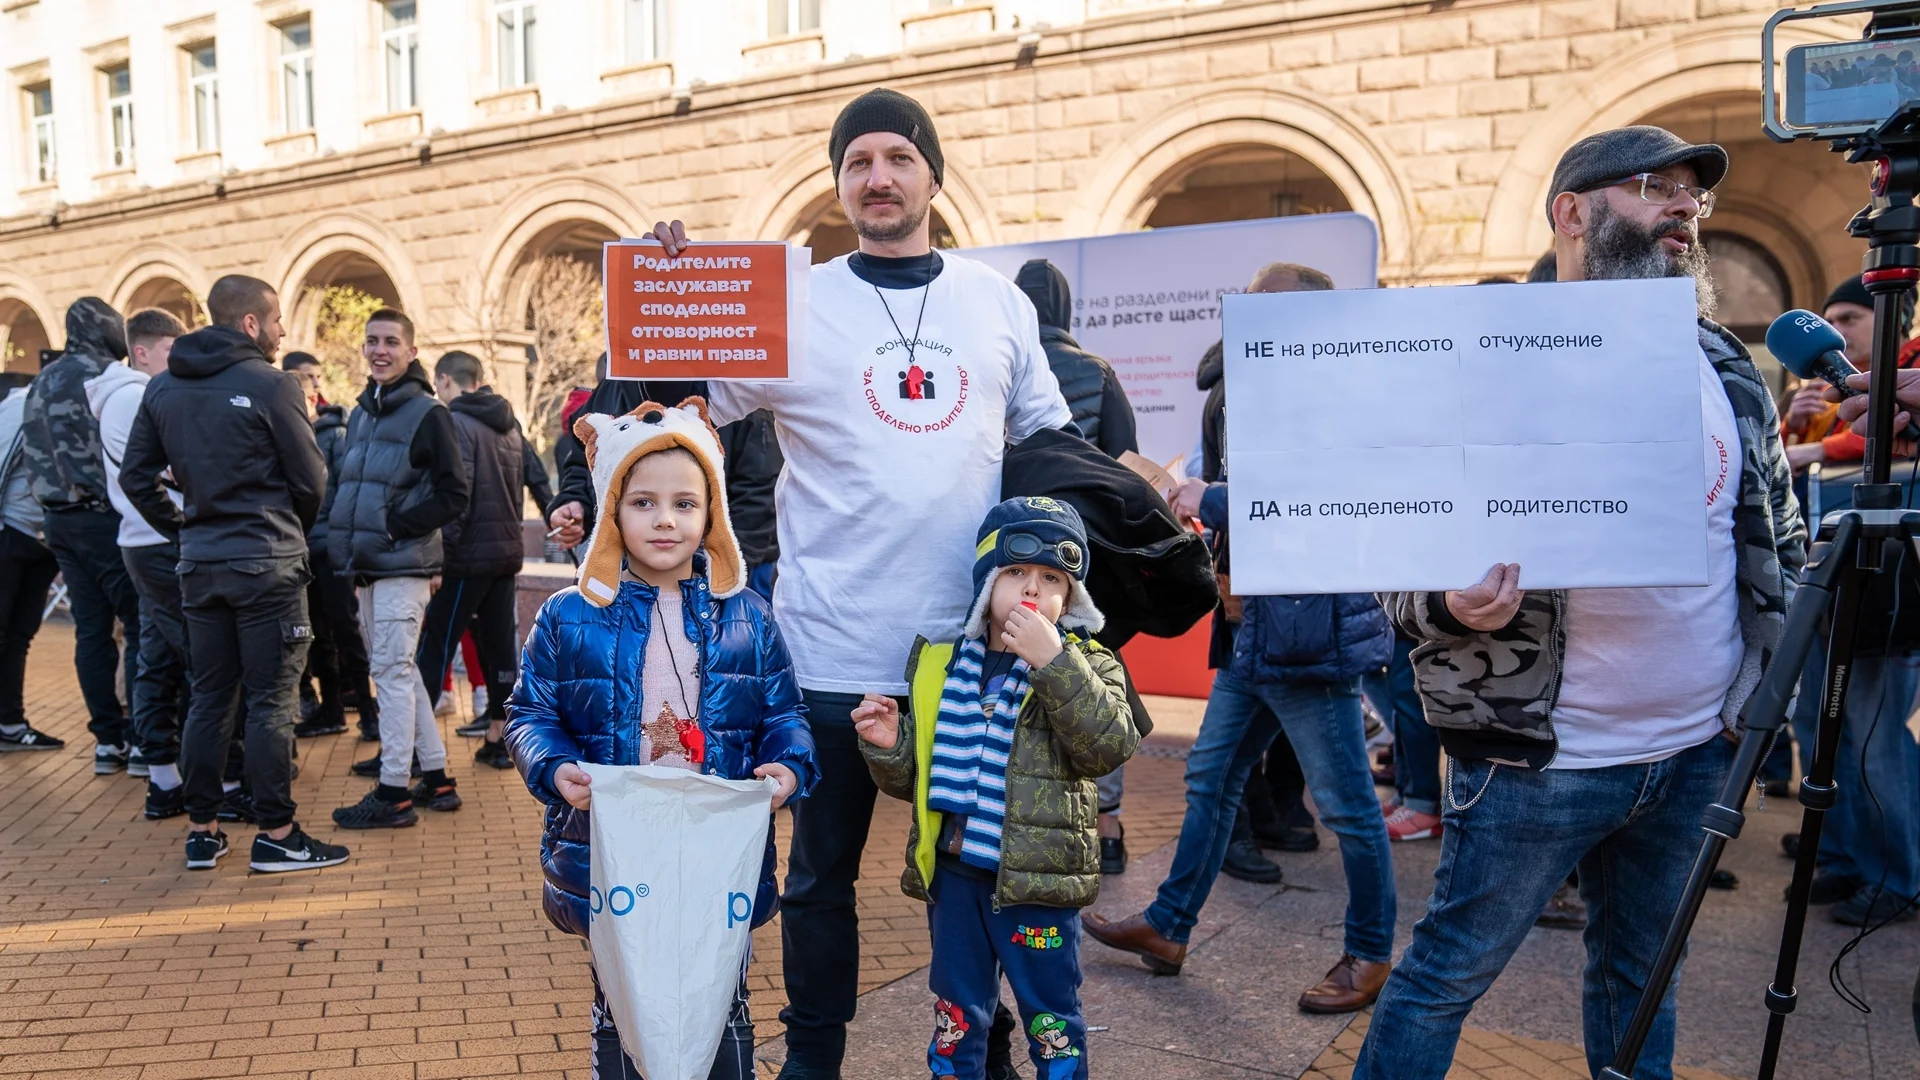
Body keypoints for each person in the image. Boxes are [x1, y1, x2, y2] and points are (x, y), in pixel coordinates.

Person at [1353, 126, 1806, 1080]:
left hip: (1693, 752)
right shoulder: (1477, 362)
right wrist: (1449, 602)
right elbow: (1390, 555)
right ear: (1572, 213)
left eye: (1696, 197)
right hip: (1538, 759)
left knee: (1644, 983)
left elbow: (1775, 541)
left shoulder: (1725, 367)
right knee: (1444, 976)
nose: (1685, 210)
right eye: (1657, 188)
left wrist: (1759, 699)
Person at [645, 87, 1073, 1080]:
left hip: (969, 657)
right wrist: (659, 295)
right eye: (856, 162)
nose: (877, 177)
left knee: (970, 878)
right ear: (840, 184)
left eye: (896, 157)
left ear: (932, 173)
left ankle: (984, 1045)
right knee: (819, 881)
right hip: (828, 653)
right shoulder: (790, 302)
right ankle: (814, 1060)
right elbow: (673, 418)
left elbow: (1052, 448)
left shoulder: (998, 302)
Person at [1090, 280, 1398, 1012]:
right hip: (1258, 628)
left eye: (1258, 303)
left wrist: (1213, 496)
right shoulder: (1280, 387)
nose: (1243, 316)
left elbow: (1319, 495)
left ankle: (1371, 951)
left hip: (1307, 629)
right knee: (1210, 778)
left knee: (1349, 804)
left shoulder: (1333, 394)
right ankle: (1168, 925)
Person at [505, 398, 814, 1079]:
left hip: (715, 857)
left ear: (713, 514)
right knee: (623, 1004)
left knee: (722, 1001)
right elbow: (530, 716)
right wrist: (555, 770)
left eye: (685, 502)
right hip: (612, 851)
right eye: (643, 502)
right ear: (612, 509)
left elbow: (786, 719)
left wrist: (786, 770)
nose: (666, 519)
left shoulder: (747, 618)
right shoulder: (569, 616)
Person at [852, 496, 1136, 1080]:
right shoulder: (942, 665)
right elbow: (920, 782)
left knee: (1051, 1019)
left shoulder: (1090, 663)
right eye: (1015, 573)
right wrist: (889, 746)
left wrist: (1054, 664)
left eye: (1051, 579)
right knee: (957, 1014)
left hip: (1038, 885)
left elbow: (1107, 746)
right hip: (956, 879)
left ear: (1070, 598)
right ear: (987, 585)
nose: (1032, 590)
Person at [121, 274, 348, 873]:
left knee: (209, 697)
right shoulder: (272, 385)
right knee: (271, 702)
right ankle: (276, 833)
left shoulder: (164, 387)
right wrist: (286, 531)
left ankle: (203, 831)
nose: (281, 332)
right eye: (276, 321)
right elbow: (311, 480)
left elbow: (133, 477)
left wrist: (181, 528)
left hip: (200, 564)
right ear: (250, 323)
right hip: (266, 563)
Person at [1014, 257, 1144, 875]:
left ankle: (1005, 808)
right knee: (1090, 677)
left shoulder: (1004, 364)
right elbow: (1126, 464)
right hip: (1078, 561)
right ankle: (1105, 822)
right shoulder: (1096, 371)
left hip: (1010, 554)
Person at [327, 309, 470, 828]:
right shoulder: (363, 413)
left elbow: (454, 494)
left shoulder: (429, 413)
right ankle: (436, 778)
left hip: (402, 566)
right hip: (367, 565)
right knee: (401, 672)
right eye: (371, 341)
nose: (379, 350)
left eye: (390, 341)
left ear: (411, 351)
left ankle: (393, 793)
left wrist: (395, 525)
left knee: (388, 674)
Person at [18, 297, 144, 775]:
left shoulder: (42, 381)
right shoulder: (105, 378)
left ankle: (107, 741)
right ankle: (139, 739)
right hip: (105, 520)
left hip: (59, 522)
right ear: (104, 328)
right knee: (137, 627)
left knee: (91, 631)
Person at [86, 307, 192, 818]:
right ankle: (182, 777)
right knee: (185, 655)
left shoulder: (128, 395)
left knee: (157, 653)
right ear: (142, 351)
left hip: (144, 538)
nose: (178, 362)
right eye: (170, 352)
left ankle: (165, 779)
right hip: (157, 538)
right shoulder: (134, 396)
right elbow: (162, 472)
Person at [419, 350, 531, 770]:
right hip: (504, 553)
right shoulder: (508, 426)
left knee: (436, 645)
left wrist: (438, 560)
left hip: (466, 558)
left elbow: (457, 498)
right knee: (500, 649)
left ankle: (417, 745)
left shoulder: (455, 423)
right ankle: (500, 735)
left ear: (446, 380)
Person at [284, 350, 375, 741]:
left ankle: (369, 714)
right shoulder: (289, 438)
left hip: (331, 551)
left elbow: (346, 492)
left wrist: (342, 543)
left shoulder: (335, 436)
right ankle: (331, 709)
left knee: (345, 630)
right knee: (317, 634)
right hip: (302, 551)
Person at [1782, 275, 1920, 474]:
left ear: (1894, 318)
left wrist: (1822, 449)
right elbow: (1792, 462)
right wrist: (1794, 427)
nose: (1836, 331)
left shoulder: (1916, 367)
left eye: (1848, 319)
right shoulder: (1829, 387)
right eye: (1829, 323)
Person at [0, 370, 62, 752]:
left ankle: (9, 722)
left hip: (43, 539)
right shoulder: (21, 406)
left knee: (20, 634)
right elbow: (4, 463)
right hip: (11, 532)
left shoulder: (68, 403)